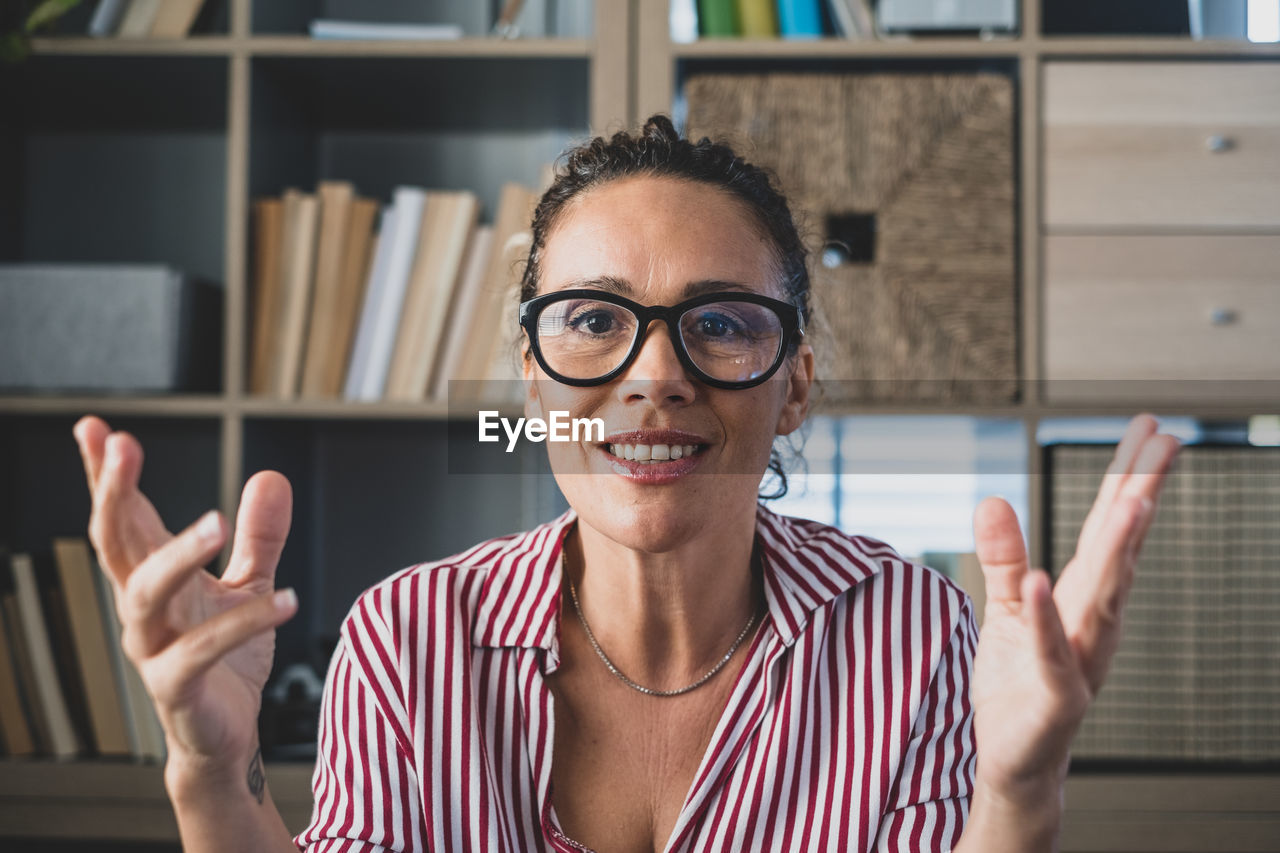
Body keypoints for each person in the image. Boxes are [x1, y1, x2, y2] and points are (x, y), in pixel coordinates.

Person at [73, 115, 1180, 852]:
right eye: (594, 320)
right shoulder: (406, 638)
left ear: (791, 387)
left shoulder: (911, 634)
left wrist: (1019, 793)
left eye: (719, 324)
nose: (654, 375)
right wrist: (209, 768)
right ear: (533, 379)